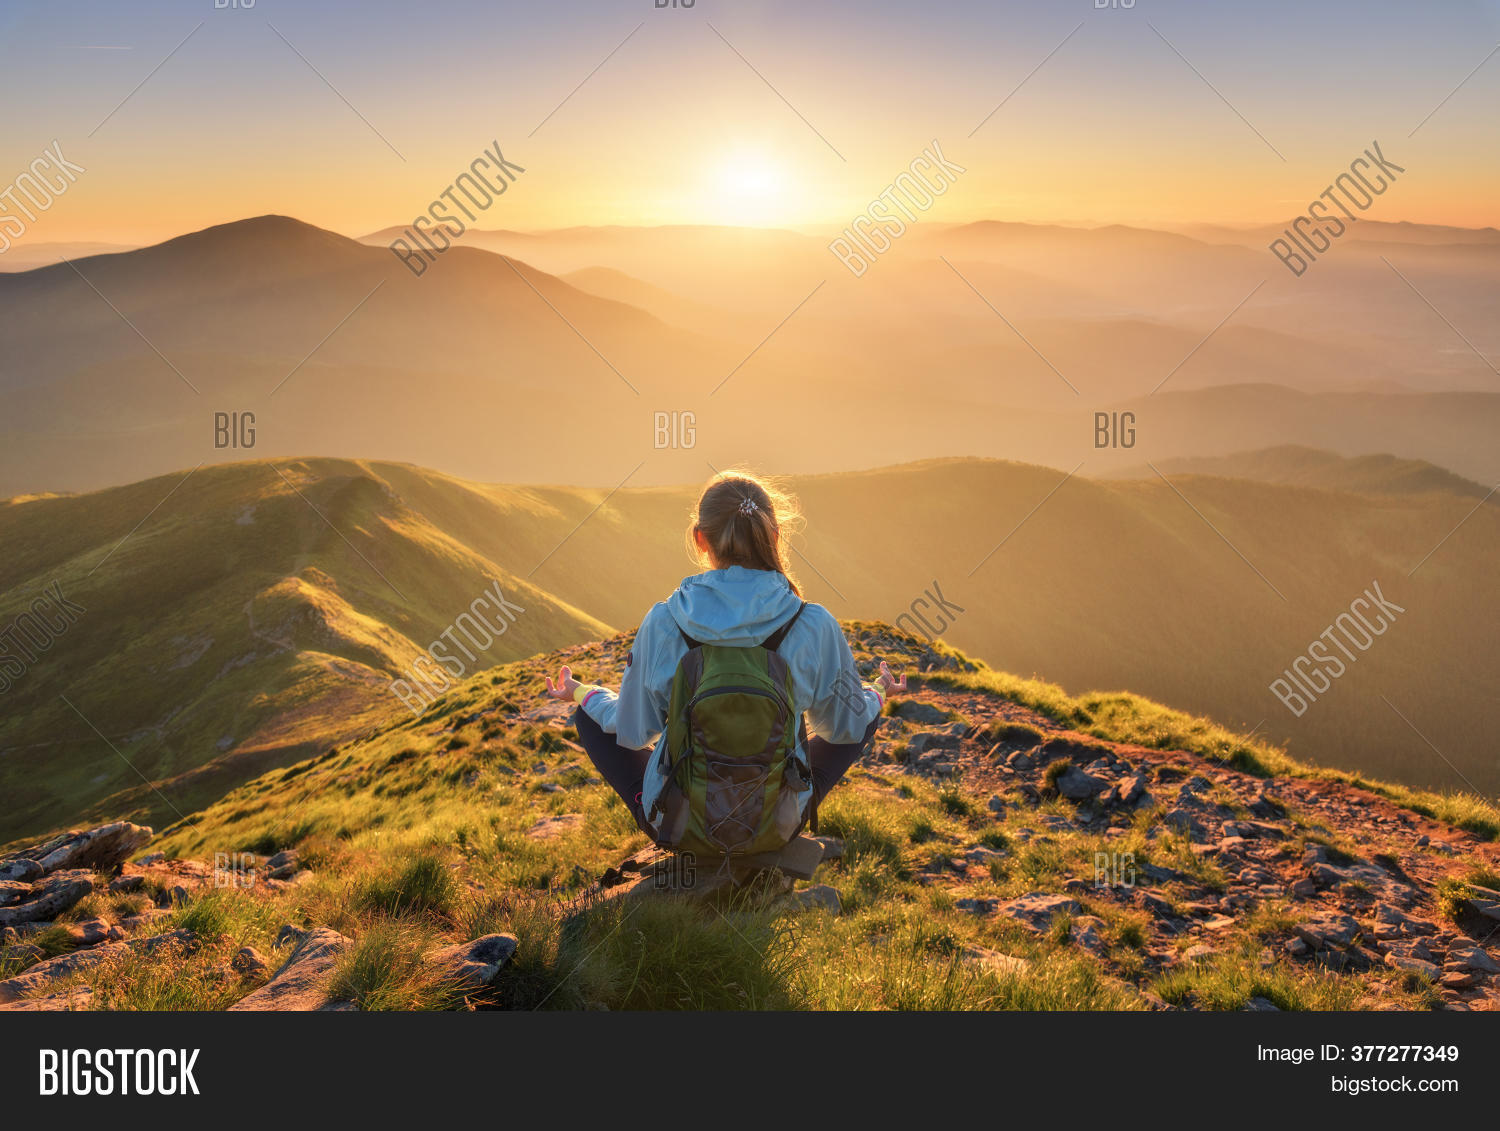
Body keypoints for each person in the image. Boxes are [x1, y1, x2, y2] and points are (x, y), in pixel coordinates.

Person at [544, 470, 905, 846]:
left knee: (590, 718)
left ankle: (659, 815)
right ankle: (774, 822)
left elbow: (635, 732)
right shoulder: (812, 624)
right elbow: (844, 728)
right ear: (774, 535)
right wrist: (876, 692)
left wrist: (582, 692)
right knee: (859, 716)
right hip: (775, 828)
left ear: (700, 539)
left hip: (683, 828)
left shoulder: (666, 621)